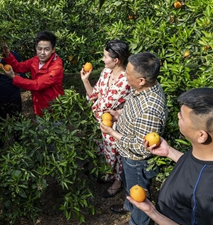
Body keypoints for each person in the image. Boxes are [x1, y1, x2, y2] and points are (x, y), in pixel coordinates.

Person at [128, 87, 213, 225]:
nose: (178, 116)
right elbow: (195, 169)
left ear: (201, 135)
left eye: (182, 116)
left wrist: (152, 212)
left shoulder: (206, 192)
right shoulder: (204, 153)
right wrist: (169, 152)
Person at [100, 52, 168, 225]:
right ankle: (128, 206)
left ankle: (138, 221)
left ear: (142, 80)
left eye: (128, 74)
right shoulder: (142, 89)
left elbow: (140, 146)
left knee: (140, 197)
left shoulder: (150, 108)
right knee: (130, 186)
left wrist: (113, 133)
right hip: (126, 152)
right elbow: (133, 109)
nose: (125, 76)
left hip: (136, 159)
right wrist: (119, 114)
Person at [80, 40, 131, 198]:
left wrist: (100, 100)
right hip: (102, 121)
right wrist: (85, 80)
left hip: (115, 125)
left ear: (116, 60)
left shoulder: (125, 81)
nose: (102, 59)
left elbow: (102, 103)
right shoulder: (105, 72)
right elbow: (94, 96)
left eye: (105, 56)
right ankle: (108, 175)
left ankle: (118, 183)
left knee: (117, 154)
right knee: (104, 150)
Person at [1, 30, 64, 117]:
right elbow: (19, 67)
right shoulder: (36, 60)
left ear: (53, 49)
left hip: (53, 109)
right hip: (39, 105)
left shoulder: (56, 67)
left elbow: (37, 85)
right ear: (36, 48)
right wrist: (8, 55)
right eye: (39, 49)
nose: (42, 53)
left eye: (46, 49)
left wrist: (14, 77)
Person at [0, 40, 25, 156]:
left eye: (0, 46)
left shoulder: (13, 56)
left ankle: (21, 149)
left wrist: (13, 76)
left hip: (13, 97)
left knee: (18, 124)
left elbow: (22, 74)